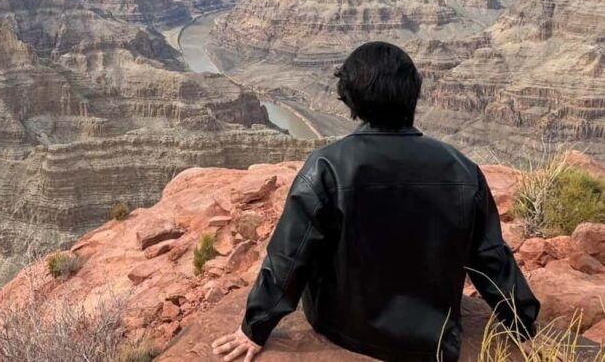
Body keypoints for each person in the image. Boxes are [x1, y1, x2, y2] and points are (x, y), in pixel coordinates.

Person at [211, 42, 539, 362]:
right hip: (432, 339)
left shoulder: (327, 167)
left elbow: (289, 257)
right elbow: (491, 258)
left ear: (350, 101)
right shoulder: (463, 169)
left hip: (343, 327)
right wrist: (523, 326)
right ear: (413, 94)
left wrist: (254, 328)